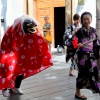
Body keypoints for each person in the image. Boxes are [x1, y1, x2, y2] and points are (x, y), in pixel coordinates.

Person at [0, 15, 53, 97]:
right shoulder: (12, 31)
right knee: (9, 69)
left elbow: (37, 38)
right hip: (11, 51)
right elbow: (5, 42)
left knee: (21, 69)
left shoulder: (31, 27)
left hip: (22, 52)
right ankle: (5, 88)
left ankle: (16, 87)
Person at [74, 12, 100, 99]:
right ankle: (78, 93)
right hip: (82, 56)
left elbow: (96, 43)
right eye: (84, 19)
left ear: (91, 20)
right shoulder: (79, 31)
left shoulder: (93, 30)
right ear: (81, 21)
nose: (86, 20)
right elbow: (73, 42)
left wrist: (97, 52)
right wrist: (78, 44)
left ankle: (98, 89)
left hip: (91, 56)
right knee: (82, 74)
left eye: (88, 19)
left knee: (95, 72)